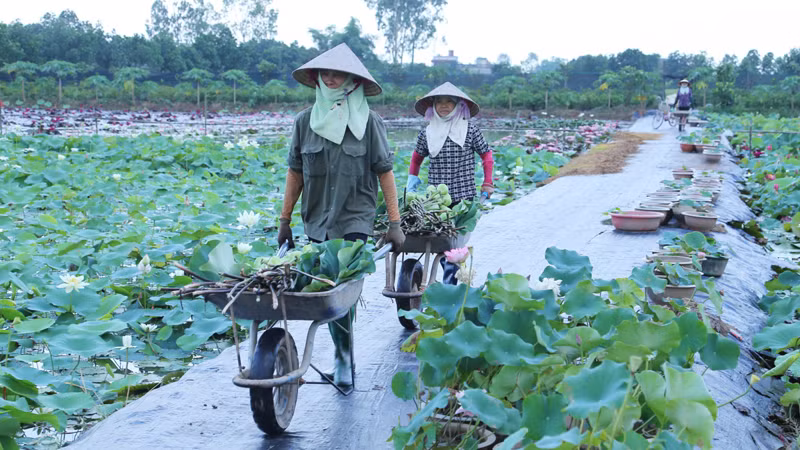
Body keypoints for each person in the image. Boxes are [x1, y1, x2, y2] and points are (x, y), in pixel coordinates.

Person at [277, 43, 405, 386]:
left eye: (338, 74)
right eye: (326, 73)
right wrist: (284, 221)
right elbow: (295, 174)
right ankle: (342, 354)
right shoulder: (305, 122)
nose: (331, 78)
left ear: (352, 80)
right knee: (328, 292)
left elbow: (385, 173)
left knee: (340, 287)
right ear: (317, 78)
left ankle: (343, 359)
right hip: (317, 221)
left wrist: (394, 223)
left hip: (354, 219)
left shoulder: (369, 122)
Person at [406, 82, 494, 284]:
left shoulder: (469, 130)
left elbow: (486, 155)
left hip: (464, 198)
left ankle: (450, 283)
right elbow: (416, 158)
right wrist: (412, 183)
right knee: (442, 242)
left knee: (453, 245)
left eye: (449, 102)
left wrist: (487, 182)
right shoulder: (427, 133)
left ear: (458, 106)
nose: (444, 106)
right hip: (437, 200)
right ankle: (449, 281)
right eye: (439, 102)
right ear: (433, 106)